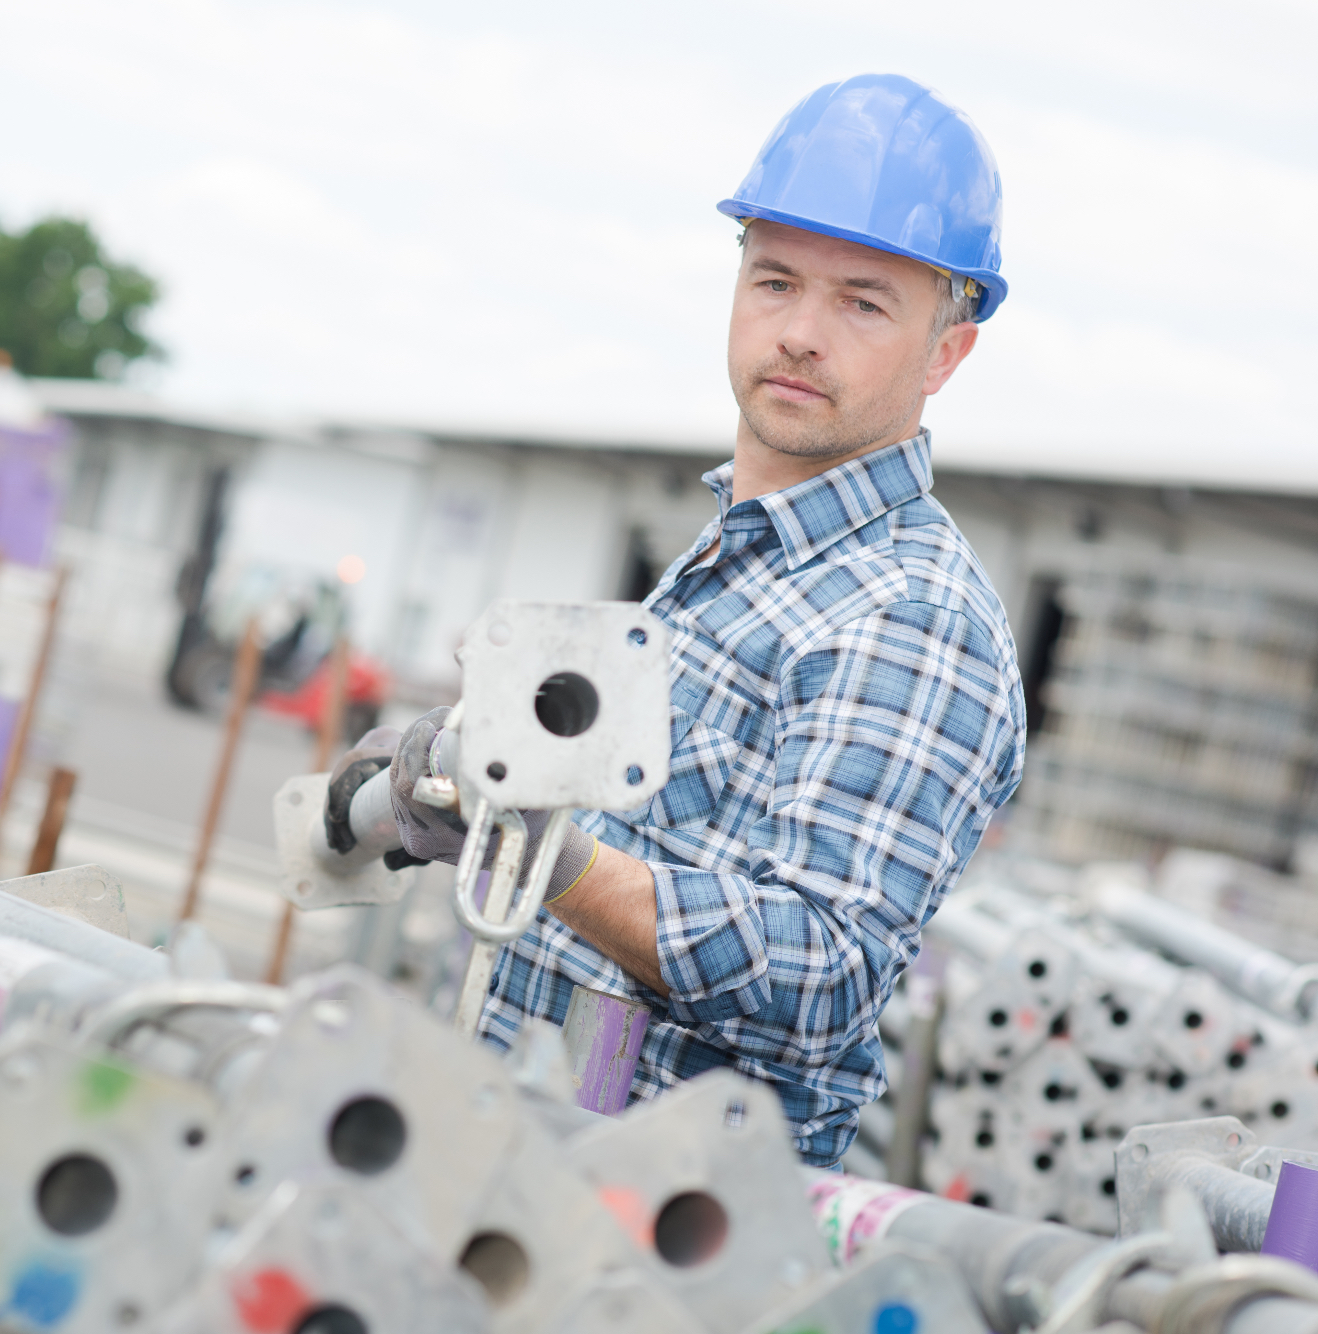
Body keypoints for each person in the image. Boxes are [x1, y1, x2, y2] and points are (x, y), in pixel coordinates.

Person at [350, 73, 1026, 1167]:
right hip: (522, 1172)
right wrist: (466, 777)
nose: (800, 332)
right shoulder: (739, 559)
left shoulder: (908, 617)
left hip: (653, 1242)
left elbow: (818, 968)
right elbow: (647, 845)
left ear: (945, 349)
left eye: (862, 301)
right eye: (774, 281)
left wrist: (538, 844)